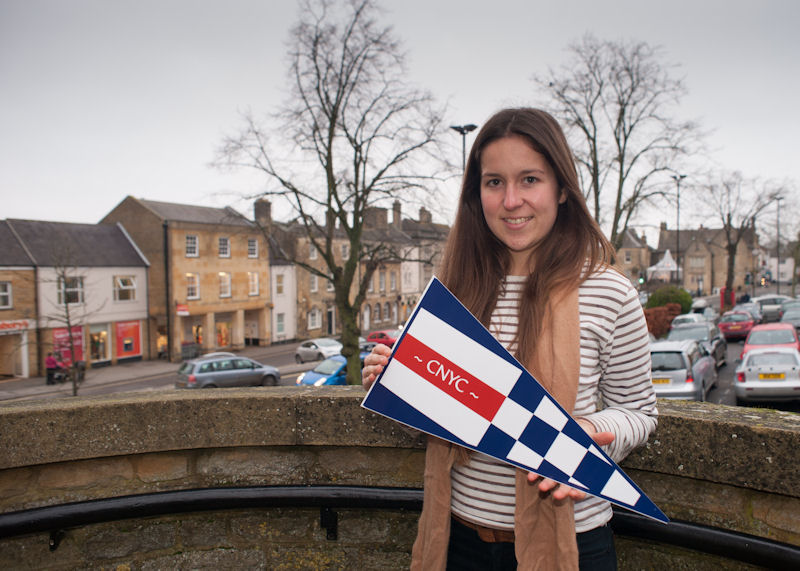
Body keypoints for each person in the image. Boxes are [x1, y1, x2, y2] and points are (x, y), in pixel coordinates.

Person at [362, 108, 657, 570]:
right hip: (458, 540)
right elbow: (436, 422)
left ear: (562, 189)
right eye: (494, 182)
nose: (511, 200)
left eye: (530, 180)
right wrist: (394, 386)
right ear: (477, 195)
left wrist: (599, 437)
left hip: (571, 542)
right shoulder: (453, 290)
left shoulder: (608, 291)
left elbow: (639, 412)